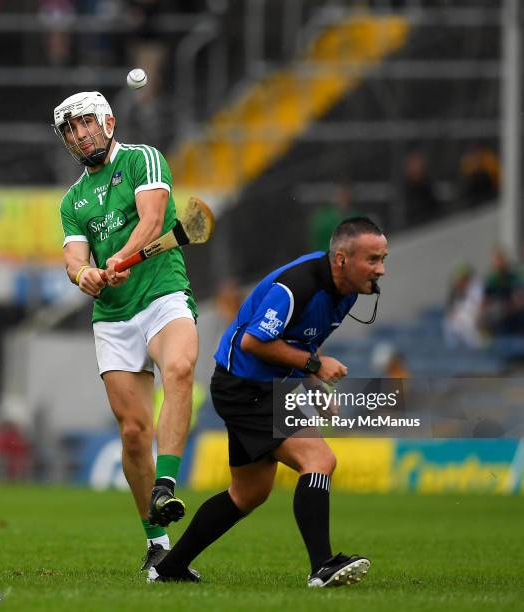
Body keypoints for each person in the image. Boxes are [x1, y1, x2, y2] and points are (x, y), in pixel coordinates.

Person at [150, 217, 387, 586]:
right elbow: (253, 342)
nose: (380, 269)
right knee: (319, 459)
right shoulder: (296, 287)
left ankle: (169, 569)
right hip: (245, 387)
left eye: (382, 259)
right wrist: (315, 366)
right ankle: (322, 566)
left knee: (248, 493)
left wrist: (314, 386)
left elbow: (304, 339)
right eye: (372, 259)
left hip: (261, 388)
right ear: (341, 259)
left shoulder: (349, 291)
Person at [53, 90, 199, 570]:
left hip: (161, 293)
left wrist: (119, 258)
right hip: (114, 316)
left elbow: (155, 219)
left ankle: (166, 484)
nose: (80, 135)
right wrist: (85, 276)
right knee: (134, 433)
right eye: (71, 130)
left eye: (86, 124)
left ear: (109, 122)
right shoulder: (73, 201)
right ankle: (157, 543)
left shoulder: (143, 159)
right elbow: (75, 257)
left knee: (179, 367)